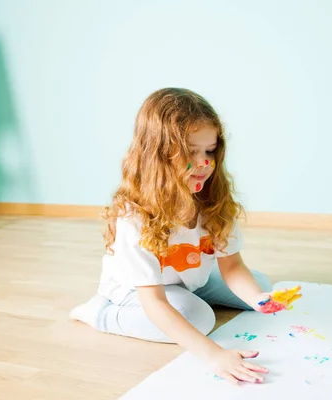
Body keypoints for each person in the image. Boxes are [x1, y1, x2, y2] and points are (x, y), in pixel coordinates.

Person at [70, 88, 301, 385]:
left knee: (263, 287)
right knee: (199, 319)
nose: (204, 163)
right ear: (157, 155)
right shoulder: (135, 214)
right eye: (191, 152)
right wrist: (214, 355)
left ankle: (198, 298)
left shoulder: (213, 200)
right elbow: (154, 301)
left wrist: (258, 299)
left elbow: (232, 267)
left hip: (189, 278)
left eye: (209, 151)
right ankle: (99, 313)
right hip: (136, 291)